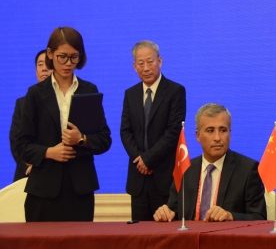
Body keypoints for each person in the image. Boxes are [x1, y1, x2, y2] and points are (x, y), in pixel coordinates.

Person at [16, 27, 112, 222]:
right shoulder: (35, 94)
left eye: (74, 57)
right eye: (62, 57)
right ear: (50, 54)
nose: (68, 63)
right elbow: (22, 144)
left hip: (80, 189)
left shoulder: (89, 90)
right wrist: (49, 152)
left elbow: (104, 139)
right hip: (43, 189)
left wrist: (82, 140)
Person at [154, 103, 266, 222]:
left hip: (225, 233)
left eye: (223, 130)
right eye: (210, 130)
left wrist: (230, 216)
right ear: (198, 136)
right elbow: (174, 210)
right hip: (191, 233)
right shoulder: (185, 169)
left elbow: (259, 217)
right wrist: (165, 213)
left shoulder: (248, 170)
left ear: (230, 133)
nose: (217, 138)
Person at [120, 40, 186, 221]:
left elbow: (173, 132)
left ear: (160, 61)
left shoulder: (175, 91)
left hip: (164, 178)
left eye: (150, 61)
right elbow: (125, 131)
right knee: (139, 232)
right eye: (140, 63)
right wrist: (139, 160)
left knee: (164, 229)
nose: (146, 68)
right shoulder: (130, 94)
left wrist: (148, 159)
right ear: (134, 66)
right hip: (138, 178)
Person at [10, 50, 52, 181]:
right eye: (40, 65)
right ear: (36, 71)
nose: (44, 69)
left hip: (55, 173)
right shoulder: (22, 103)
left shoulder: (65, 101)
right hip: (27, 174)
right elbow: (15, 139)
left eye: (48, 65)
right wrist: (26, 167)